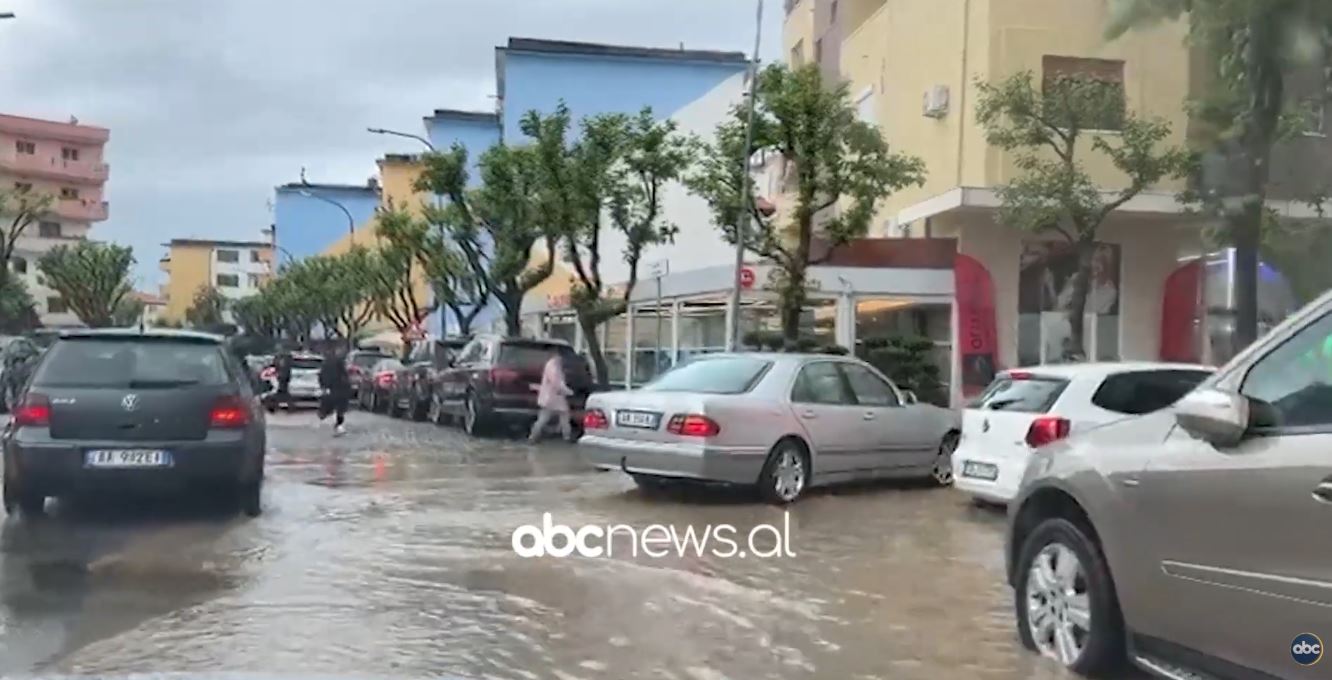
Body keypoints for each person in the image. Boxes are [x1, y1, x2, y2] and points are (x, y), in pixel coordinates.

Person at [529, 349, 573, 443]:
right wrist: (568, 391)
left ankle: (566, 435)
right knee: (547, 417)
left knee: (559, 416)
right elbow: (556, 382)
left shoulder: (554, 365)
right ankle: (566, 436)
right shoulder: (553, 366)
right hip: (552, 397)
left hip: (553, 397)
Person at [318, 346, 352, 436]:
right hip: (337, 388)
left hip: (334, 387)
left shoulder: (327, 363)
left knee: (335, 405)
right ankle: (336, 423)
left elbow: (321, 375)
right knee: (339, 407)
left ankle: (327, 415)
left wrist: (323, 385)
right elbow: (344, 375)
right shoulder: (338, 363)